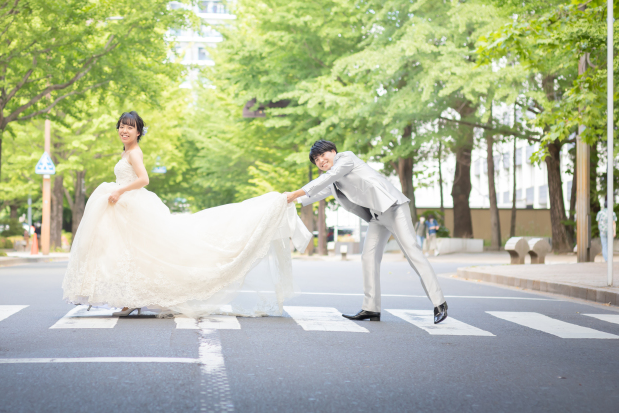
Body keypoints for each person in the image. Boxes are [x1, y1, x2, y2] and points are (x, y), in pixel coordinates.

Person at [62, 111, 311, 318]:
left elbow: (144, 179)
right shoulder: (125, 152)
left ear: (139, 132)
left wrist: (119, 190)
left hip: (132, 203)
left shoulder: (135, 153)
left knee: (144, 252)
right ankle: (131, 298)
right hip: (125, 206)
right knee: (129, 253)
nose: (124, 131)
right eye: (121, 127)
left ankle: (134, 299)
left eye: (130, 127)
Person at [285, 140, 448, 324]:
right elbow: (315, 193)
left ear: (333, 151)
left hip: (393, 208)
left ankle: (439, 303)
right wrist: (289, 200)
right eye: (316, 159)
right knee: (368, 257)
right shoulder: (332, 181)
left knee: (412, 254)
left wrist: (295, 193)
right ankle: (371, 308)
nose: (321, 160)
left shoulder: (346, 158)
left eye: (323, 155)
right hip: (376, 217)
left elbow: (325, 179)